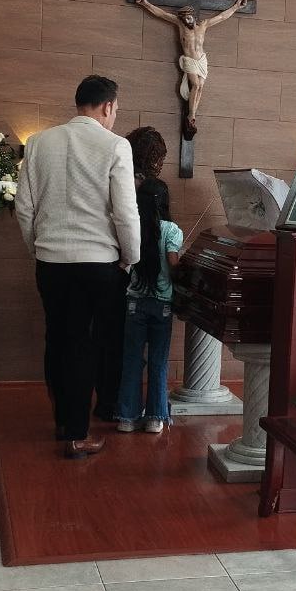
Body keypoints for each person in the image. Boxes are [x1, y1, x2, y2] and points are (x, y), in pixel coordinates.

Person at [16, 75, 139, 459]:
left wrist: (38, 248)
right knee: (88, 346)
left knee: (59, 340)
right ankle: (77, 433)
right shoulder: (116, 145)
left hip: (51, 262)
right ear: (107, 106)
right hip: (100, 264)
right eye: (116, 109)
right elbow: (125, 212)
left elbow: (23, 207)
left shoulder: (38, 143)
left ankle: (63, 421)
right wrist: (129, 257)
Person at [115, 178, 182, 435]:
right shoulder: (172, 230)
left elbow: (125, 262)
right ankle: (155, 418)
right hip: (162, 304)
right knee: (158, 362)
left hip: (134, 303)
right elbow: (173, 265)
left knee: (131, 361)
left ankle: (126, 417)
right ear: (165, 201)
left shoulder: (133, 228)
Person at [134, 0, 247, 139]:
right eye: (185, 18)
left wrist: (236, 7)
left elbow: (222, 17)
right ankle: (191, 114)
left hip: (201, 60)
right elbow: (161, 13)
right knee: (195, 84)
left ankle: (193, 116)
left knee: (200, 86)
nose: (188, 20)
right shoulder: (180, 25)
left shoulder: (204, 25)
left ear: (193, 16)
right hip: (189, 61)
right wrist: (146, 4)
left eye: (189, 17)